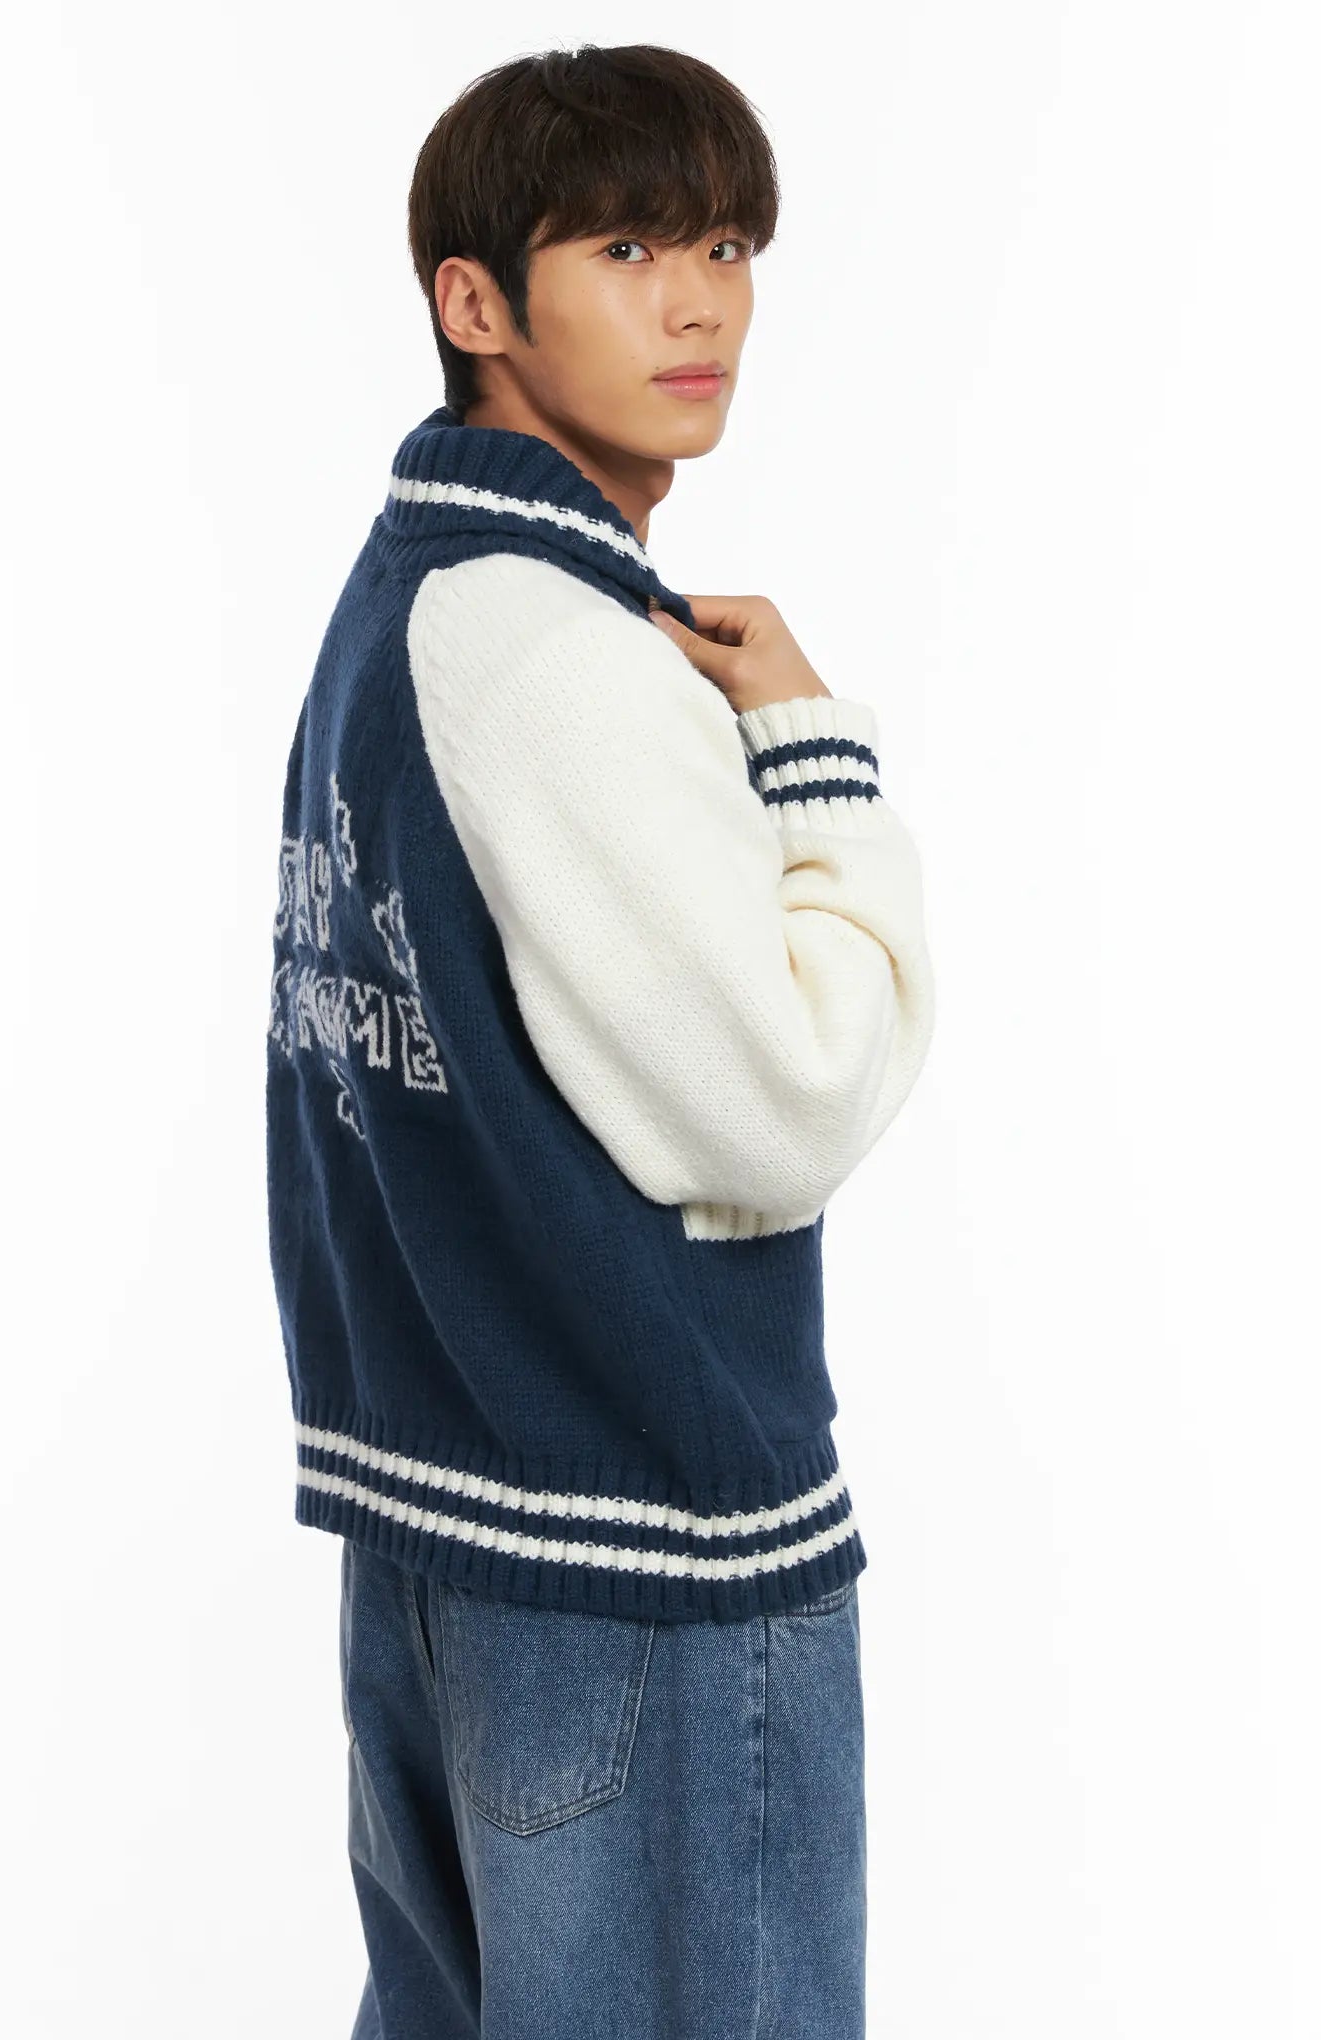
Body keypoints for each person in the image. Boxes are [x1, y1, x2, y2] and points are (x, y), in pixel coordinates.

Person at [265, 41, 936, 2040]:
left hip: (456, 1529)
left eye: (725, 245)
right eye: (627, 249)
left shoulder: (406, 597)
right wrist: (810, 749)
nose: (699, 303)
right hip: (638, 1548)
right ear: (475, 302)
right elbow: (791, 1100)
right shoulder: (560, 654)